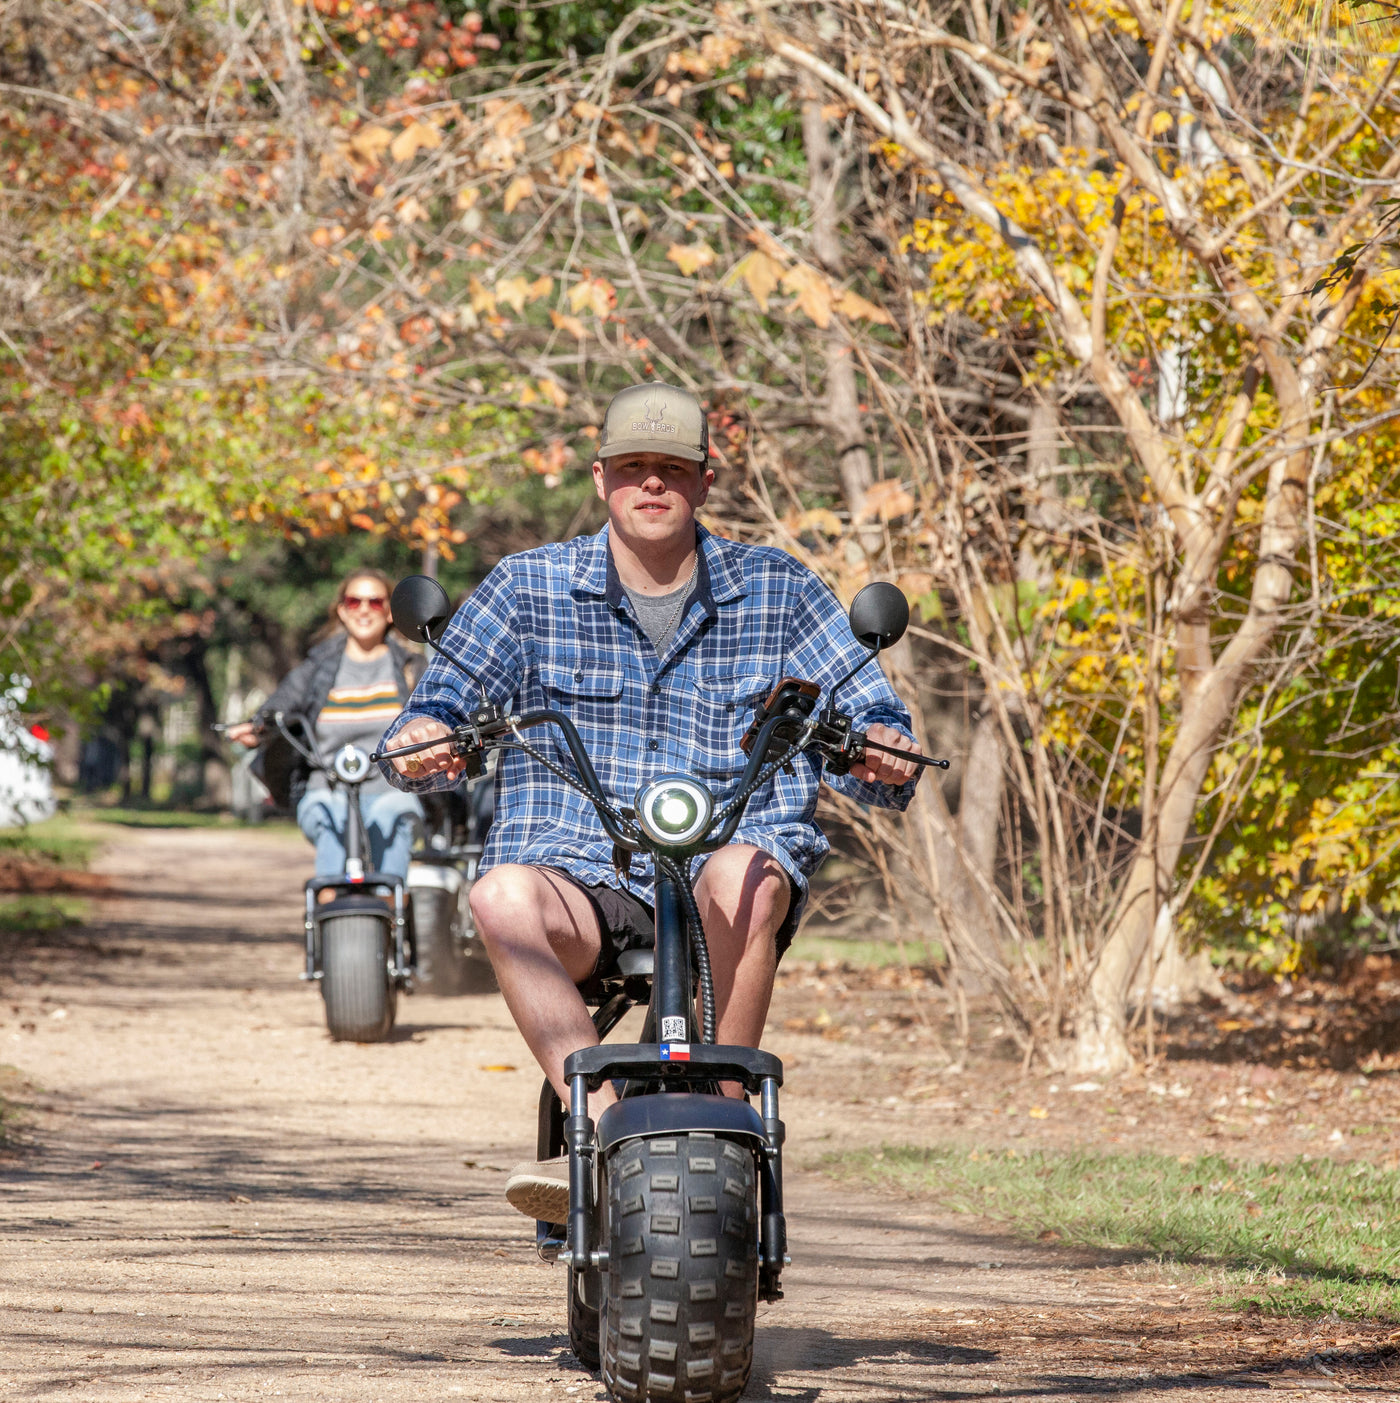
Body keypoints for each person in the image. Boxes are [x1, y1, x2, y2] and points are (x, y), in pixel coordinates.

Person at [379, 384, 923, 1221]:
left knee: (748, 870)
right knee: (498, 893)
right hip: (577, 872)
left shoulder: (777, 588)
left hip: (724, 870)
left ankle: (728, 1123)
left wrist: (881, 744)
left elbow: (867, 708)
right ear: (601, 478)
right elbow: (440, 708)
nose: (653, 484)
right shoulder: (528, 587)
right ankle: (595, 1136)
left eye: (673, 468)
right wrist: (425, 734)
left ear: (705, 481)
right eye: (634, 467)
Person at [228, 569, 423, 884]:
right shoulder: (317, 668)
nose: (363, 609)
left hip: (393, 788)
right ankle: (329, 910)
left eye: (374, 602)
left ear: (389, 611)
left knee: (395, 816)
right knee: (328, 819)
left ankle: (391, 911)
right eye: (354, 600)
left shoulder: (411, 667)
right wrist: (257, 728)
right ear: (342, 610)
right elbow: (280, 704)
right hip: (327, 788)